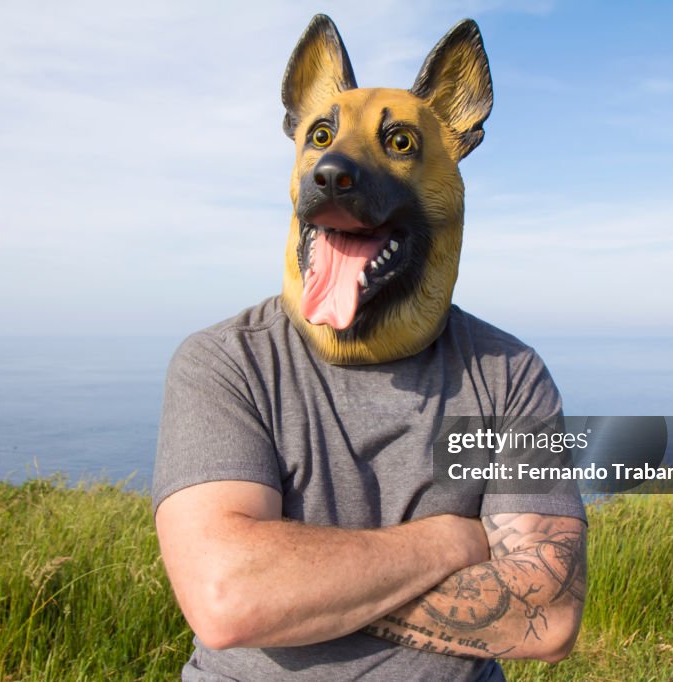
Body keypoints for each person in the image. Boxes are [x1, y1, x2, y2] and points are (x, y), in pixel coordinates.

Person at [153, 15, 587, 681]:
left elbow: (546, 615)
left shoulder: (509, 375)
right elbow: (228, 599)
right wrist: (455, 540)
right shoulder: (224, 362)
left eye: (401, 143)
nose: (337, 164)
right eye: (321, 138)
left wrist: (295, 590)